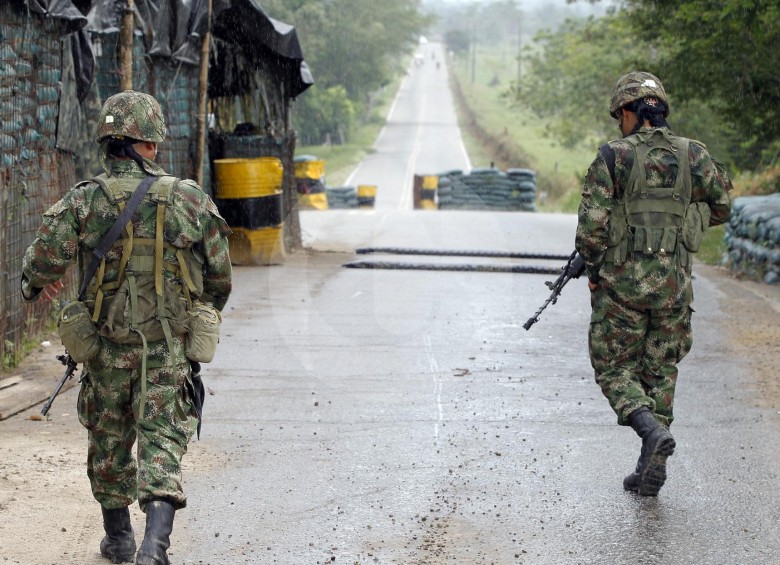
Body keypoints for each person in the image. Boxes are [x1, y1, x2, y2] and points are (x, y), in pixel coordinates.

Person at [21, 90, 232, 563]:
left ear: (107, 142)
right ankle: (154, 548)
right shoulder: (187, 199)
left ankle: (118, 539)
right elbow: (220, 276)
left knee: (109, 436)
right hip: (165, 347)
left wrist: (39, 286)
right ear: (151, 144)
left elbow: (38, 265)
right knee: (162, 439)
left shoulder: (84, 201)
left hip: (105, 349)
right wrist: (198, 307)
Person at [575, 72, 732, 496]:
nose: (618, 125)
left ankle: (648, 434)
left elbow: (591, 231)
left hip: (622, 287)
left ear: (630, 112)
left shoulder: (613, 157)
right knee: (661, 370)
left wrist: (593, 273)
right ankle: (650, 463)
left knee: (613, 367)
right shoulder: (693, 155)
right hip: (675, 288)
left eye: (619, 117)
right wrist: (680, 222)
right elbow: (722, 206)